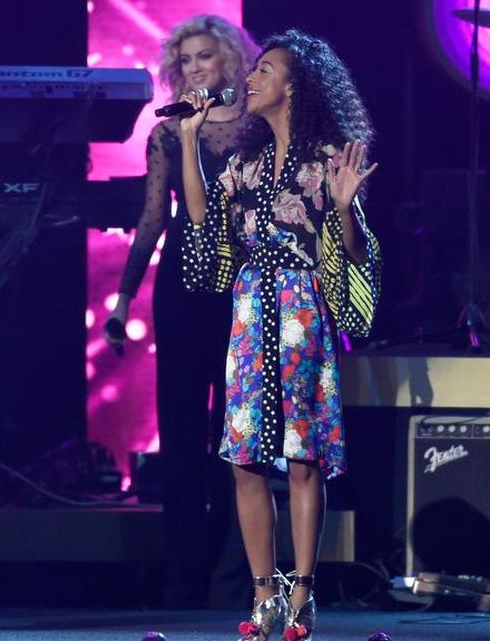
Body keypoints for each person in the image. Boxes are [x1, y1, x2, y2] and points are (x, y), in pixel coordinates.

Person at [177, 30, 380, 641]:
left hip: (300, 314)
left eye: (265, 69)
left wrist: (344, 207)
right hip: (249, 312)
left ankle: (303, 593)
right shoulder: (246, 163)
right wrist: (188, 140)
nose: (251, 77)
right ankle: (263, 592)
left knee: (301, 457)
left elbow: (353, 255)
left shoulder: (327, 161)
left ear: (294, 86)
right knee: (244, 459)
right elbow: (204, 223)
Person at [104, 15, 258, 609]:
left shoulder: (261, 128)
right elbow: (151, 222)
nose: (194, 68)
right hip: (183, 288)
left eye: (204, 57)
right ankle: (184, 575)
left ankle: (231, 573)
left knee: (235, 433)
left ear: (230, 59)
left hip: (243, 287)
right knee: (182, 428)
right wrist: (123, 299)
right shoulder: (167, 134)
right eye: (186, 60)